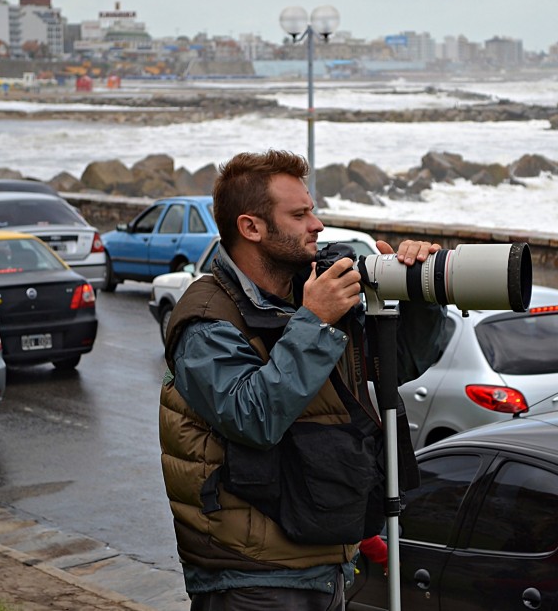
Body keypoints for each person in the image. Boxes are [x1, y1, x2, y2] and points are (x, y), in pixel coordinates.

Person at [159, 149, 446, 611]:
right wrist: (314, 321)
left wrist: (422, 295)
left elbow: (400, 364)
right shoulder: (207, 321)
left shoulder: (307, 294)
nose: (318, 225)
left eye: (312, 209)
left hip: (323, 561)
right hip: (253, 580)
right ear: (250, 228)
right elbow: (250, 417)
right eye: (300, 214)